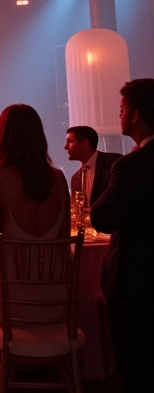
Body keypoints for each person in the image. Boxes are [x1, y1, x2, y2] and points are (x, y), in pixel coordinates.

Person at [0, 104, 70, 327]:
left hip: (10, 300)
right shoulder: (59, 178)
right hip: (54, 301)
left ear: (1, 138)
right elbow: (63, 241)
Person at [91, 78, 154, 392]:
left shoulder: (130, 166)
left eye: (121, 109)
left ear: (135, 115)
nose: (119, 116)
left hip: (136, 282)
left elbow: (101, 218)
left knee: (134, 364)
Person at [64, 125, 121, 205]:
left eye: (70, 141)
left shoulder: (113, 162)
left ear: (85, 143)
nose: (65, 147)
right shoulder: (75, 179)